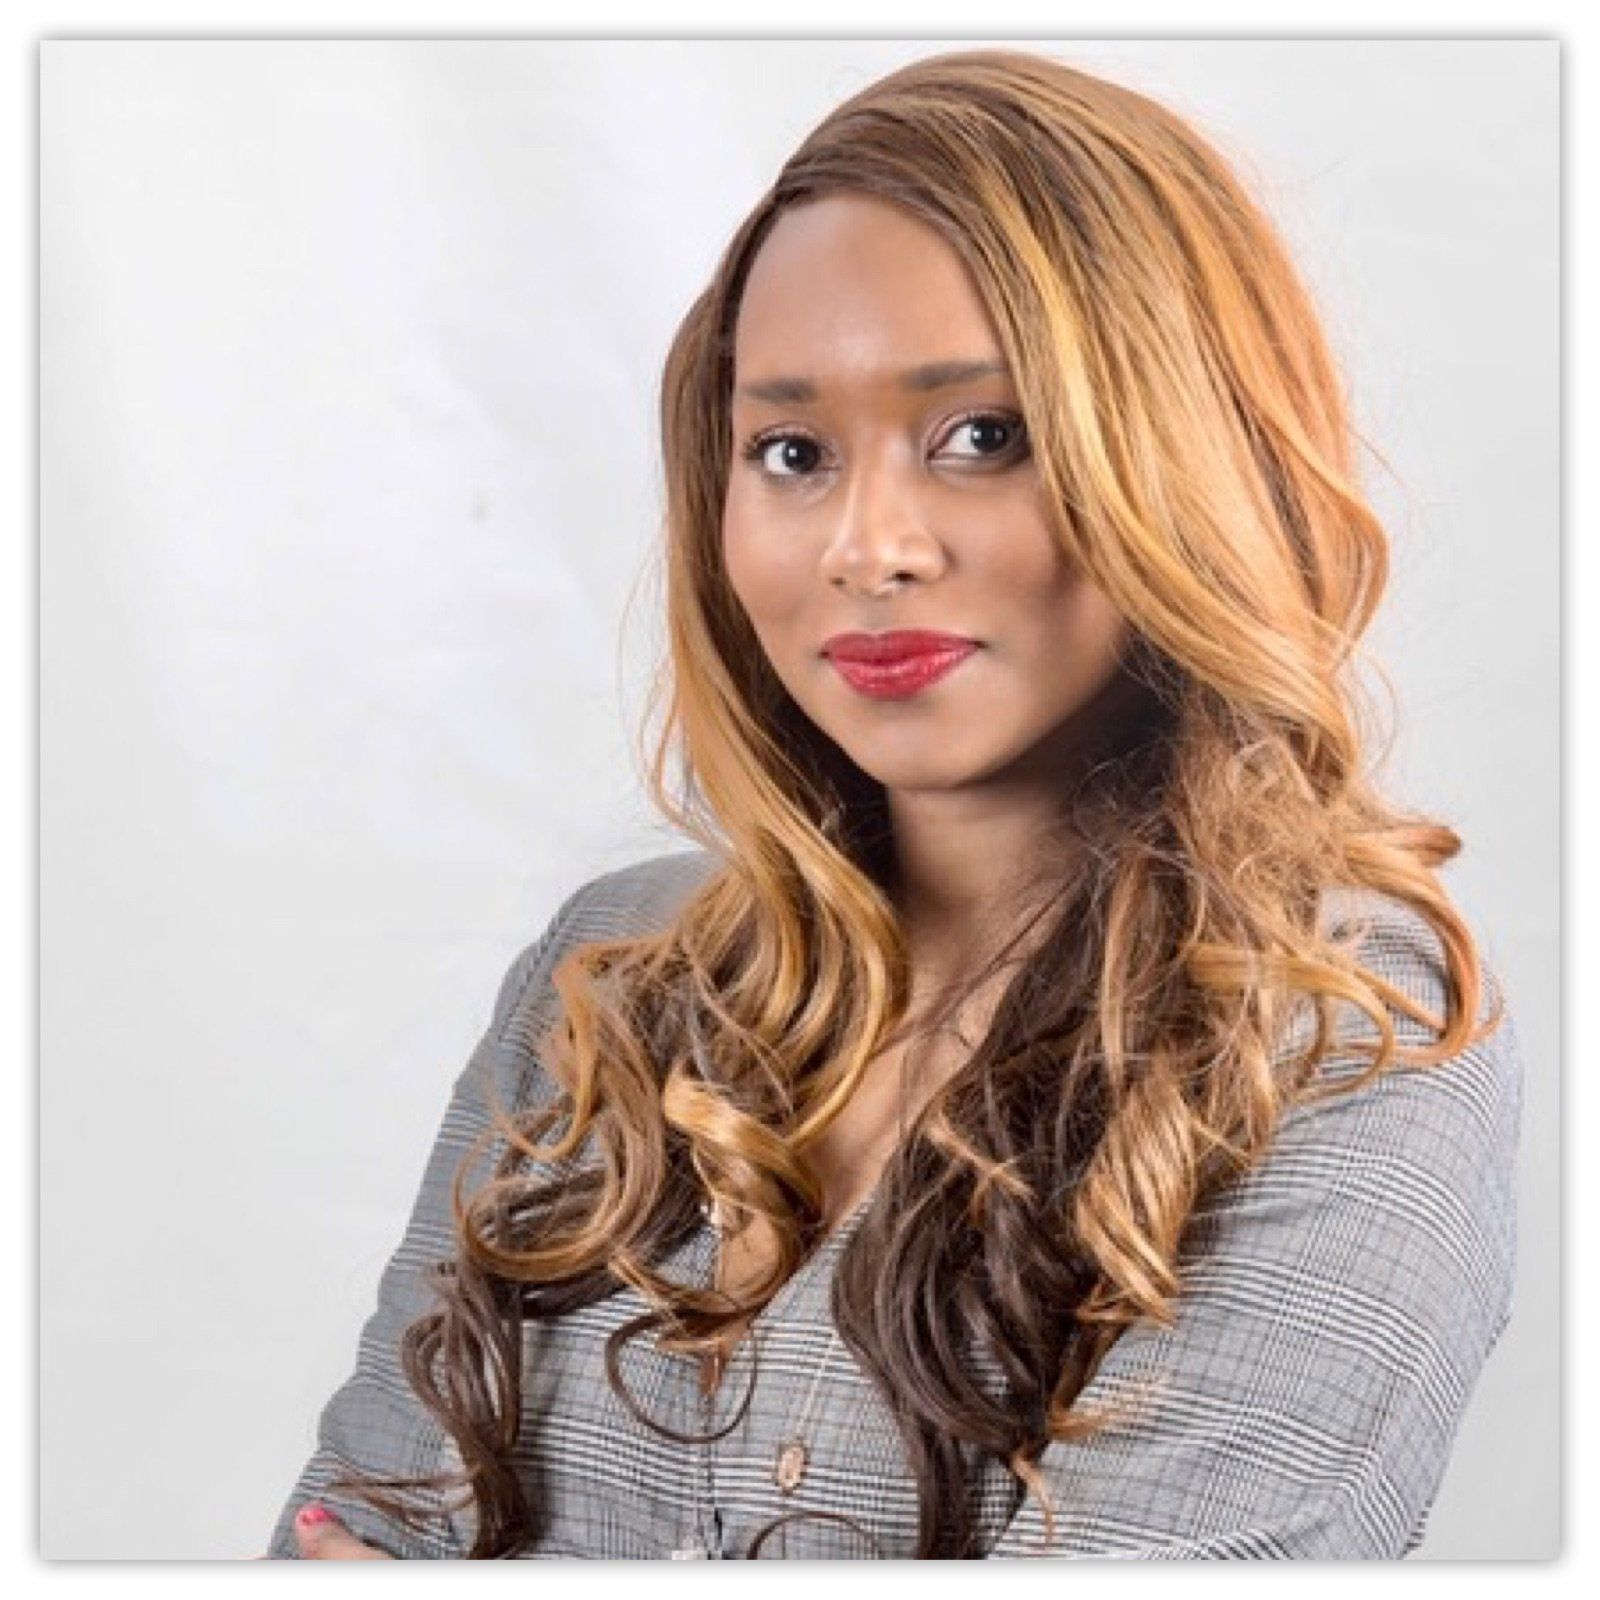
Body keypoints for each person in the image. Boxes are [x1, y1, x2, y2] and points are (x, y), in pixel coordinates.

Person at [264, 47, 1522, 1560]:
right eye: (791, 452)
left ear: (1189, 457)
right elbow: (345, 1527)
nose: (868, 547)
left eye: (982, 436)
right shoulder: (607, 981)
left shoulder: (1347, 1037)